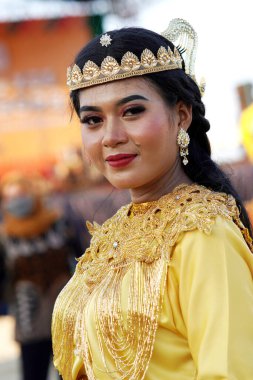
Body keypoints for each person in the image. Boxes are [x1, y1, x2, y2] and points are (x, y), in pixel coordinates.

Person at [52, 18, 253, 379]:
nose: (111, 136)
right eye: (93, 120)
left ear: (181, 116)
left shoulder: (204, 235)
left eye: (132, 111)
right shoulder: (111, 234)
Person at [0, 172, 81, 380]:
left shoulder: (58, 223)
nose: (16, 202)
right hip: (30, 320)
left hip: (66, 315)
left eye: (20, 194)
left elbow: (81, 258)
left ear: (32, 195)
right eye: (9, 197)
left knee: (71, 373)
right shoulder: (6, 237)